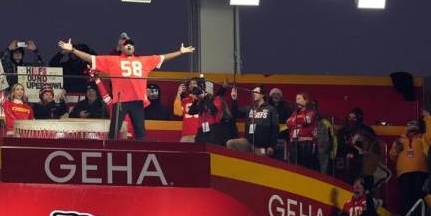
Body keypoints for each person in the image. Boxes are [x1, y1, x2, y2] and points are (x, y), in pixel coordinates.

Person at [58, 38, 195, 139]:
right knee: (114, 133)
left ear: (134, 49)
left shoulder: (144, 61)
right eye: (126, 45)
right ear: (122, 49)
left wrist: (180, 52)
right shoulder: (113, 61)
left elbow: (163, 57)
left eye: (131, 45)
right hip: (120, 101)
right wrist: (73, 50)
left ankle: (140, 155)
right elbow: (90, 58)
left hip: (137, 101)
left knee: (141, 133)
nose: (129, 46)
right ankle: (111, 154)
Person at [389, 110, 431, 212]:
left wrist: (428, 117)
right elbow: (392, 156)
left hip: (420, 172)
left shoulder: (423, 139)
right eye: (410, 129)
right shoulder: (399, 141)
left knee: (419, 194)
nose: (412, 131)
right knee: (405, 196)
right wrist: (396, 149)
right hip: (404, 173)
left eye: (414, 129)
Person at [226, 86, 279, 156]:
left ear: (262, 95)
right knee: (230, 143)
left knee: (261, 164)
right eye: (253, 92)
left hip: (262, 146)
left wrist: (272, 146)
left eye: (256, 92)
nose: (254, 94)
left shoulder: (271, 109)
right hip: (248, 142)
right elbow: (235, 114)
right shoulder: (249, 108)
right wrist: (234, 99)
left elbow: (275, 129)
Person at [337, 108, 376, 183]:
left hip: (363, 163)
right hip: (347, 165)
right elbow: (340, 146)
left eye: (354, 118)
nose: (351, 120)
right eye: (349, 118)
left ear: (359, 118)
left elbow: (373, 144)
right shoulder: (342, 131)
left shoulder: (366, 130)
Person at [286, 93, 318, 170]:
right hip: (294, 142)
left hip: (305, 143)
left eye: (299, 99)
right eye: (296, 99)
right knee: (294, 167)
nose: (296, 101)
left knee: (305, 168)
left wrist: (295, 120)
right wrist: (297, 120)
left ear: (306, 100)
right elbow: (287, 122)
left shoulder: (312, 111)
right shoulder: (295, 112)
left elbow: (306, 120)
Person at [173, 78, 201, 143]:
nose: (192, 85)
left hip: (200, 135)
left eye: (194, 83)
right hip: (186, 135)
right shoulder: (185, 101)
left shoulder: (203, 100)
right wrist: (178, 94)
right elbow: (177, 112)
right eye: (190, 84)